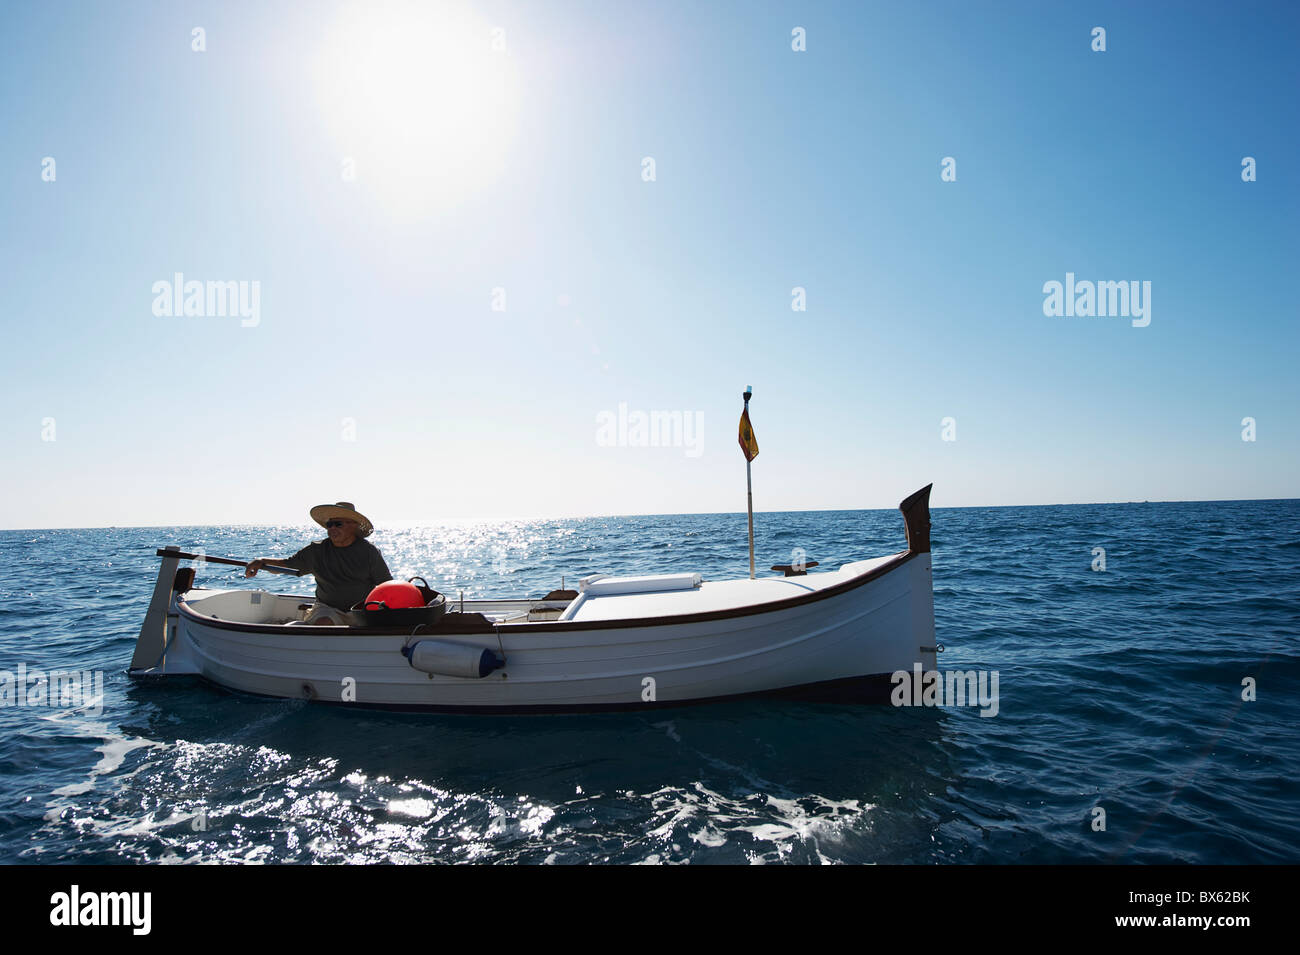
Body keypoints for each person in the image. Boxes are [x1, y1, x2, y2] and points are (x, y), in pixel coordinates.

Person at [245, 501, 393, 625]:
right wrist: (262, 562)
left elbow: (386, 585)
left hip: (360, 610)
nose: (332, 528)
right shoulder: (317, 550)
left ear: (353, 525)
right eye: (329, 524)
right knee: (324, 622)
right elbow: (288, 564)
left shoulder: (368, 551)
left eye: (338, 524)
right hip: (327, 608)